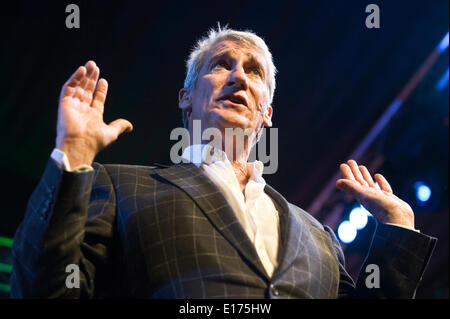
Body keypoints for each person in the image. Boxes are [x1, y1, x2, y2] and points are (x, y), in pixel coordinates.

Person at [11, 26, 436, 299]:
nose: (238, 78)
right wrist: (73, 155)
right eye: (221, 65)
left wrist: (398, 229)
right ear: (186, 97)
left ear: (267, 112)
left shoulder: (321, 238)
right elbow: (42, 290)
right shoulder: (120, 188)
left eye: (253, 72)